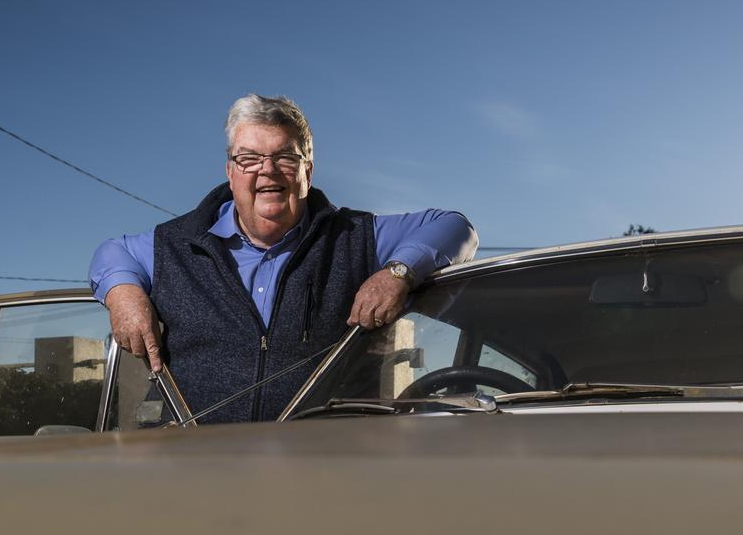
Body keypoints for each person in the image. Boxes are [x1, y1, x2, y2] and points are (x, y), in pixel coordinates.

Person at [89, 94, 477, 424]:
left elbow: (455, 228)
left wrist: (398, 272)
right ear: (230, 171)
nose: (268, 171)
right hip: (196, 466)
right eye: (250, 159)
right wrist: (123, 291)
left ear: (307, 171)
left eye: (285, 158)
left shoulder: (354, 237)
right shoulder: (175, 244)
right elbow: (112, 251)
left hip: (326, 468)